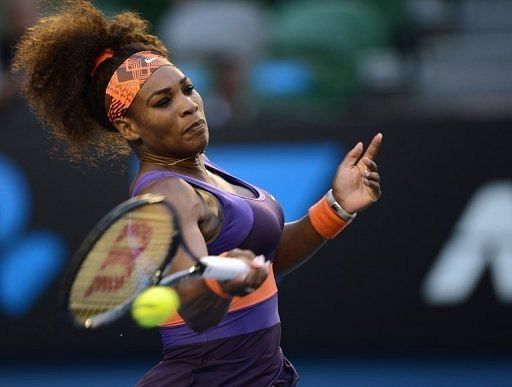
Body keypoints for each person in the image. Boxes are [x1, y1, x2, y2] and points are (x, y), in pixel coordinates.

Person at [13, 1, 382, 385]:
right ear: (129, 128)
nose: (188, 106)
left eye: (187, 89)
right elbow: (193, 302)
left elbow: (270, 256)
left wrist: (336, 208)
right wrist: (219, 283)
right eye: (163, 102)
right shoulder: (168, 193)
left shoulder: (201, 169)